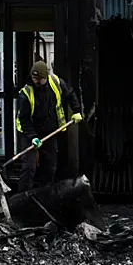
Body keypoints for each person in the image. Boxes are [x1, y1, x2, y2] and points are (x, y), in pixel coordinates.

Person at [15, 61, 82, 192]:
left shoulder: (56, 83)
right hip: (30, 134)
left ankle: (44, 195)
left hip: (50, 132)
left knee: (50, 167)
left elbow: (69, 94)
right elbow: (24, 120)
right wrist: (33, 137)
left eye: (40, 79)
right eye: (34, 78)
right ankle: (22, 199)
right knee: (29, 168)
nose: (37, 81)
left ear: (46, 77)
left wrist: (77, 110)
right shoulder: (25, 95)